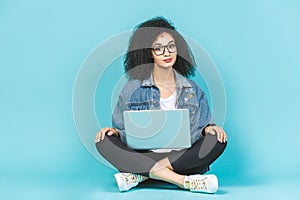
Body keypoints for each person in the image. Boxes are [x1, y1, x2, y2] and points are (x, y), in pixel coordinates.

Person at [95, 17, 227, 193]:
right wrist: (115, 132)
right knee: (104, 141)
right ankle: (183, 181)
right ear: (147, 53)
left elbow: (203, 128)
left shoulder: (193, 89)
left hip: (181, 156)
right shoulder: (132, 89)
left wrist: (210, 130)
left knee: (218, 140)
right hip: (145, 155)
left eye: (171, 46)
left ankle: (141, 175)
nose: (167, 53)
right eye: (159, 48)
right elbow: (124, 131)